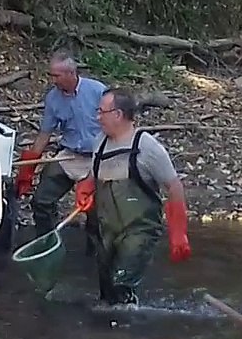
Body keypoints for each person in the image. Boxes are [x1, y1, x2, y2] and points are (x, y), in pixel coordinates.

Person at [71, 89, 191, 307]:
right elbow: (93, 175)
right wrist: (85, 188)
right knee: (107, 293)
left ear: (118, 114)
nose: (97, 117)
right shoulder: (100, 142)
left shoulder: (147, 147)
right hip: (106, 229)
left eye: (101, 112)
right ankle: (109, 333)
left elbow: (174, 186)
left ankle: (127, 332)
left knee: (121, 285)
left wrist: (178, 232)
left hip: (139, 229)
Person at [14, 52, 108, 237]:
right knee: (41, 201)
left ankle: (95, 252)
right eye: (51, 75)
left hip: (99, 157)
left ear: (71, 73)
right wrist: (28, 169)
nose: (53, 80)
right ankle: (48, 241)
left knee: (96, 212)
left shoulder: (98, 91)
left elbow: (115, 126)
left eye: (56, 76)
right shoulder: (52, 98)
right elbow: (44, 134)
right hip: (69, 154)